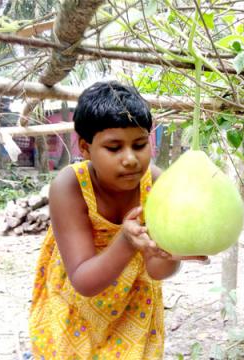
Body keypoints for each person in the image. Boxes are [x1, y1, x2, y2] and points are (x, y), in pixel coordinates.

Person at [28, 81, 208, 359]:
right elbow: (84, 281)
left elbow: (158, 271)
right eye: (114, 148)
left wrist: (173, 250)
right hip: (74, 312)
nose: (130, 159)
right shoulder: (70, 186)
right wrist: (126, 241)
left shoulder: (157, 184)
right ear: (85, 148)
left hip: (132, 311)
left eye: (139, 145)